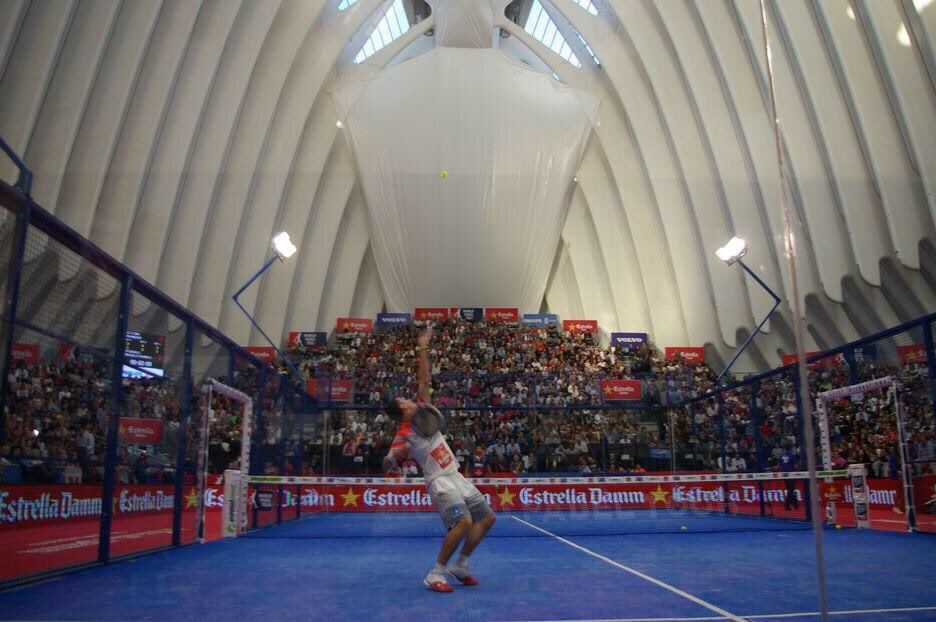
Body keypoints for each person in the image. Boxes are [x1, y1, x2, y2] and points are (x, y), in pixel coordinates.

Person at [383, 326, 496, 593]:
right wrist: (392, 459)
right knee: (464, 522)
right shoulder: (404, 434)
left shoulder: (424, 411)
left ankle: (461, 565)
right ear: (401, 412)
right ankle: (435, 573)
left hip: (456, 475)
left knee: (487, 518)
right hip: (439, 482)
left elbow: (424, 379)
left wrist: (423, 346)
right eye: (405, 403)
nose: (410, 401)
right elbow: (389, 459)